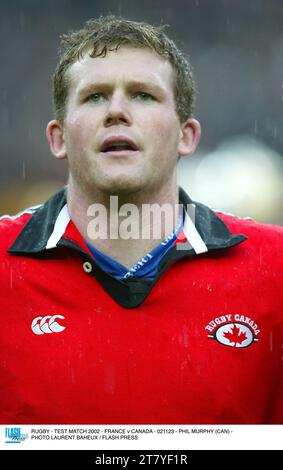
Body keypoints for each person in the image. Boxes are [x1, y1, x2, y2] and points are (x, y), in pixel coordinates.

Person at [0, 15, 282, 425]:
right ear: (58, 138)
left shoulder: (274, 269)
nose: (116, 111)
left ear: (186, 135)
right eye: (95, 96)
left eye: (143, 95)